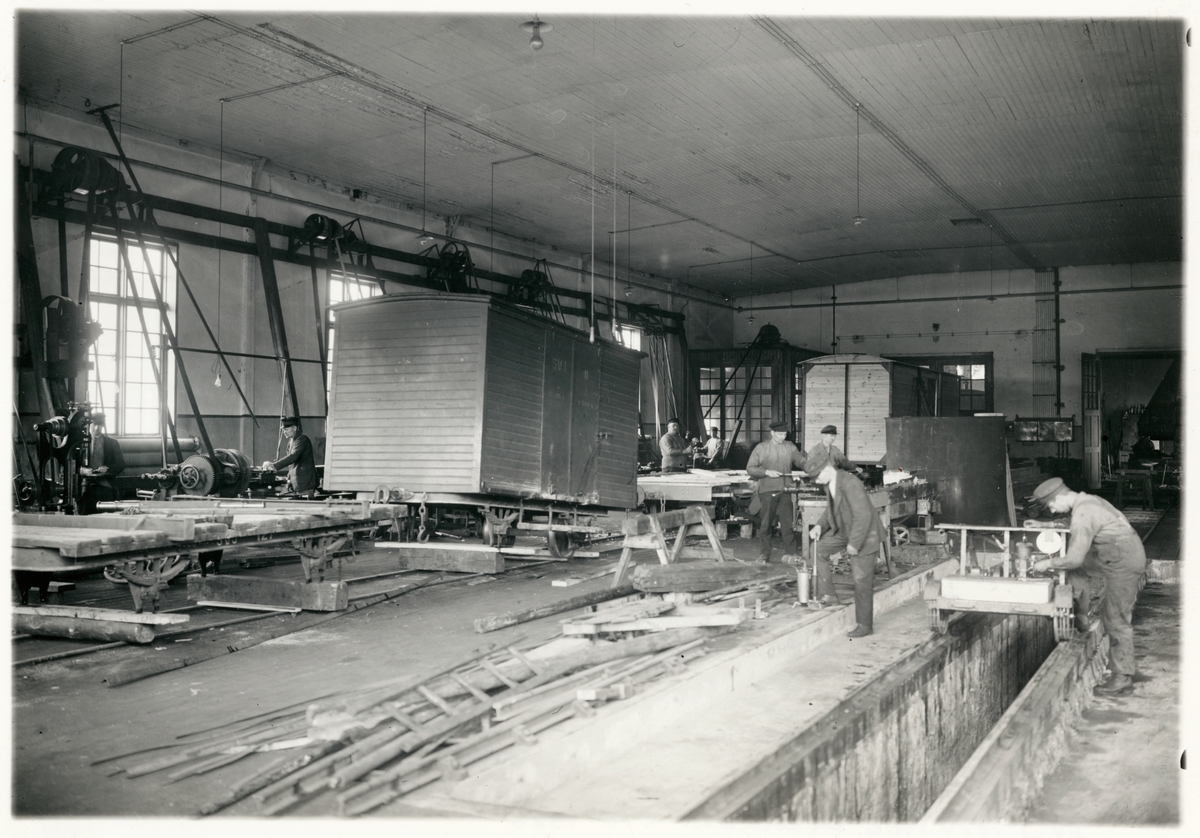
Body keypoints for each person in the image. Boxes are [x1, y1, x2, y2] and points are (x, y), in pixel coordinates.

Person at [1029, 477, 1147, 695]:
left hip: (1124, 562)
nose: (1053, 511)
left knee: (1115, 617)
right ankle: (1081, 620)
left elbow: (1073, 558)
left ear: (1059, 497)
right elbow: (1081, 524)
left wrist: (1047, 563)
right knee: (1079, 570)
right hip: (1116, 553)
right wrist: (1047, 525)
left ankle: (1122, 677)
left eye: (1052, 506)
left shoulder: (1083, 512)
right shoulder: (1088, 500)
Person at [808, 462, 887, 638]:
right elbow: (831, 509)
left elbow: (863, 515)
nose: (817, 482)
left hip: (864, 533)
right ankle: (829, 594)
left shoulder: (850, 483)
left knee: (861, 579)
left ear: (827, 469)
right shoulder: (831, 483)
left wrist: (854, 544)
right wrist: (819, 526)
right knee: (818, 548)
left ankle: (865, 625)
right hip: (845, 530)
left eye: (817, 477)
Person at [746, 419, 807, 562]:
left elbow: (799, 459)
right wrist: (766, 472)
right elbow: (750, 468)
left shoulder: (790, 446)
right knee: (766, 524)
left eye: (784, 434)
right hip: (767, 491)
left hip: (786, 491)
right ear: (772, 433)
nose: (783, 437)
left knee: (787, 525)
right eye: (780, 434)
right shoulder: (762, 448)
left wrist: (807, 465)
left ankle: (791, 554)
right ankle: (764, 554)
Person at [79, 412, 125, 514]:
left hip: (105, 487)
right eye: (94, 425)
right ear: (88, 425)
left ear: (103, 426)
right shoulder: (80, 443)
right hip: (84, 488)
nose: (96, 428)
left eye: (99, 425)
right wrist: (82, 471)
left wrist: (107, 468)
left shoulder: (112, 443)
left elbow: (121, 464)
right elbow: (70, 465)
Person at [264, 417, 317, 498]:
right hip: (296, 484)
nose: (284, 432)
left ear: (294, 428)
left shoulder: (302, 439)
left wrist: (274, 465)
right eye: (283, 430)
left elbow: (293, 456)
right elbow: (291, 464)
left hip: (304, 484)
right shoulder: (291, 441)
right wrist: (288, 479)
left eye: (286, 429)